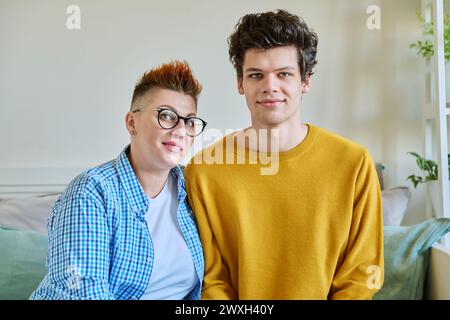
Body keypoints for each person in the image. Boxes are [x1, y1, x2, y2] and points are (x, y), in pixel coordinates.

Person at [185, 10, 384, 299]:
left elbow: (362, 274)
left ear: (305, 81)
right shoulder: (203, 171)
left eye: (284, 74)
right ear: (240, 83)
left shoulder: (353, 163)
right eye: (256, 75)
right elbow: (212, 279)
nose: (270, 86)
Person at [30, 61, 206, 300]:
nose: (180, 131)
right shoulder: (91, 192)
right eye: (166, 116)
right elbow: (83, 293)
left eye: (189, 121)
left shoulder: (195, 187)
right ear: (132, 122)